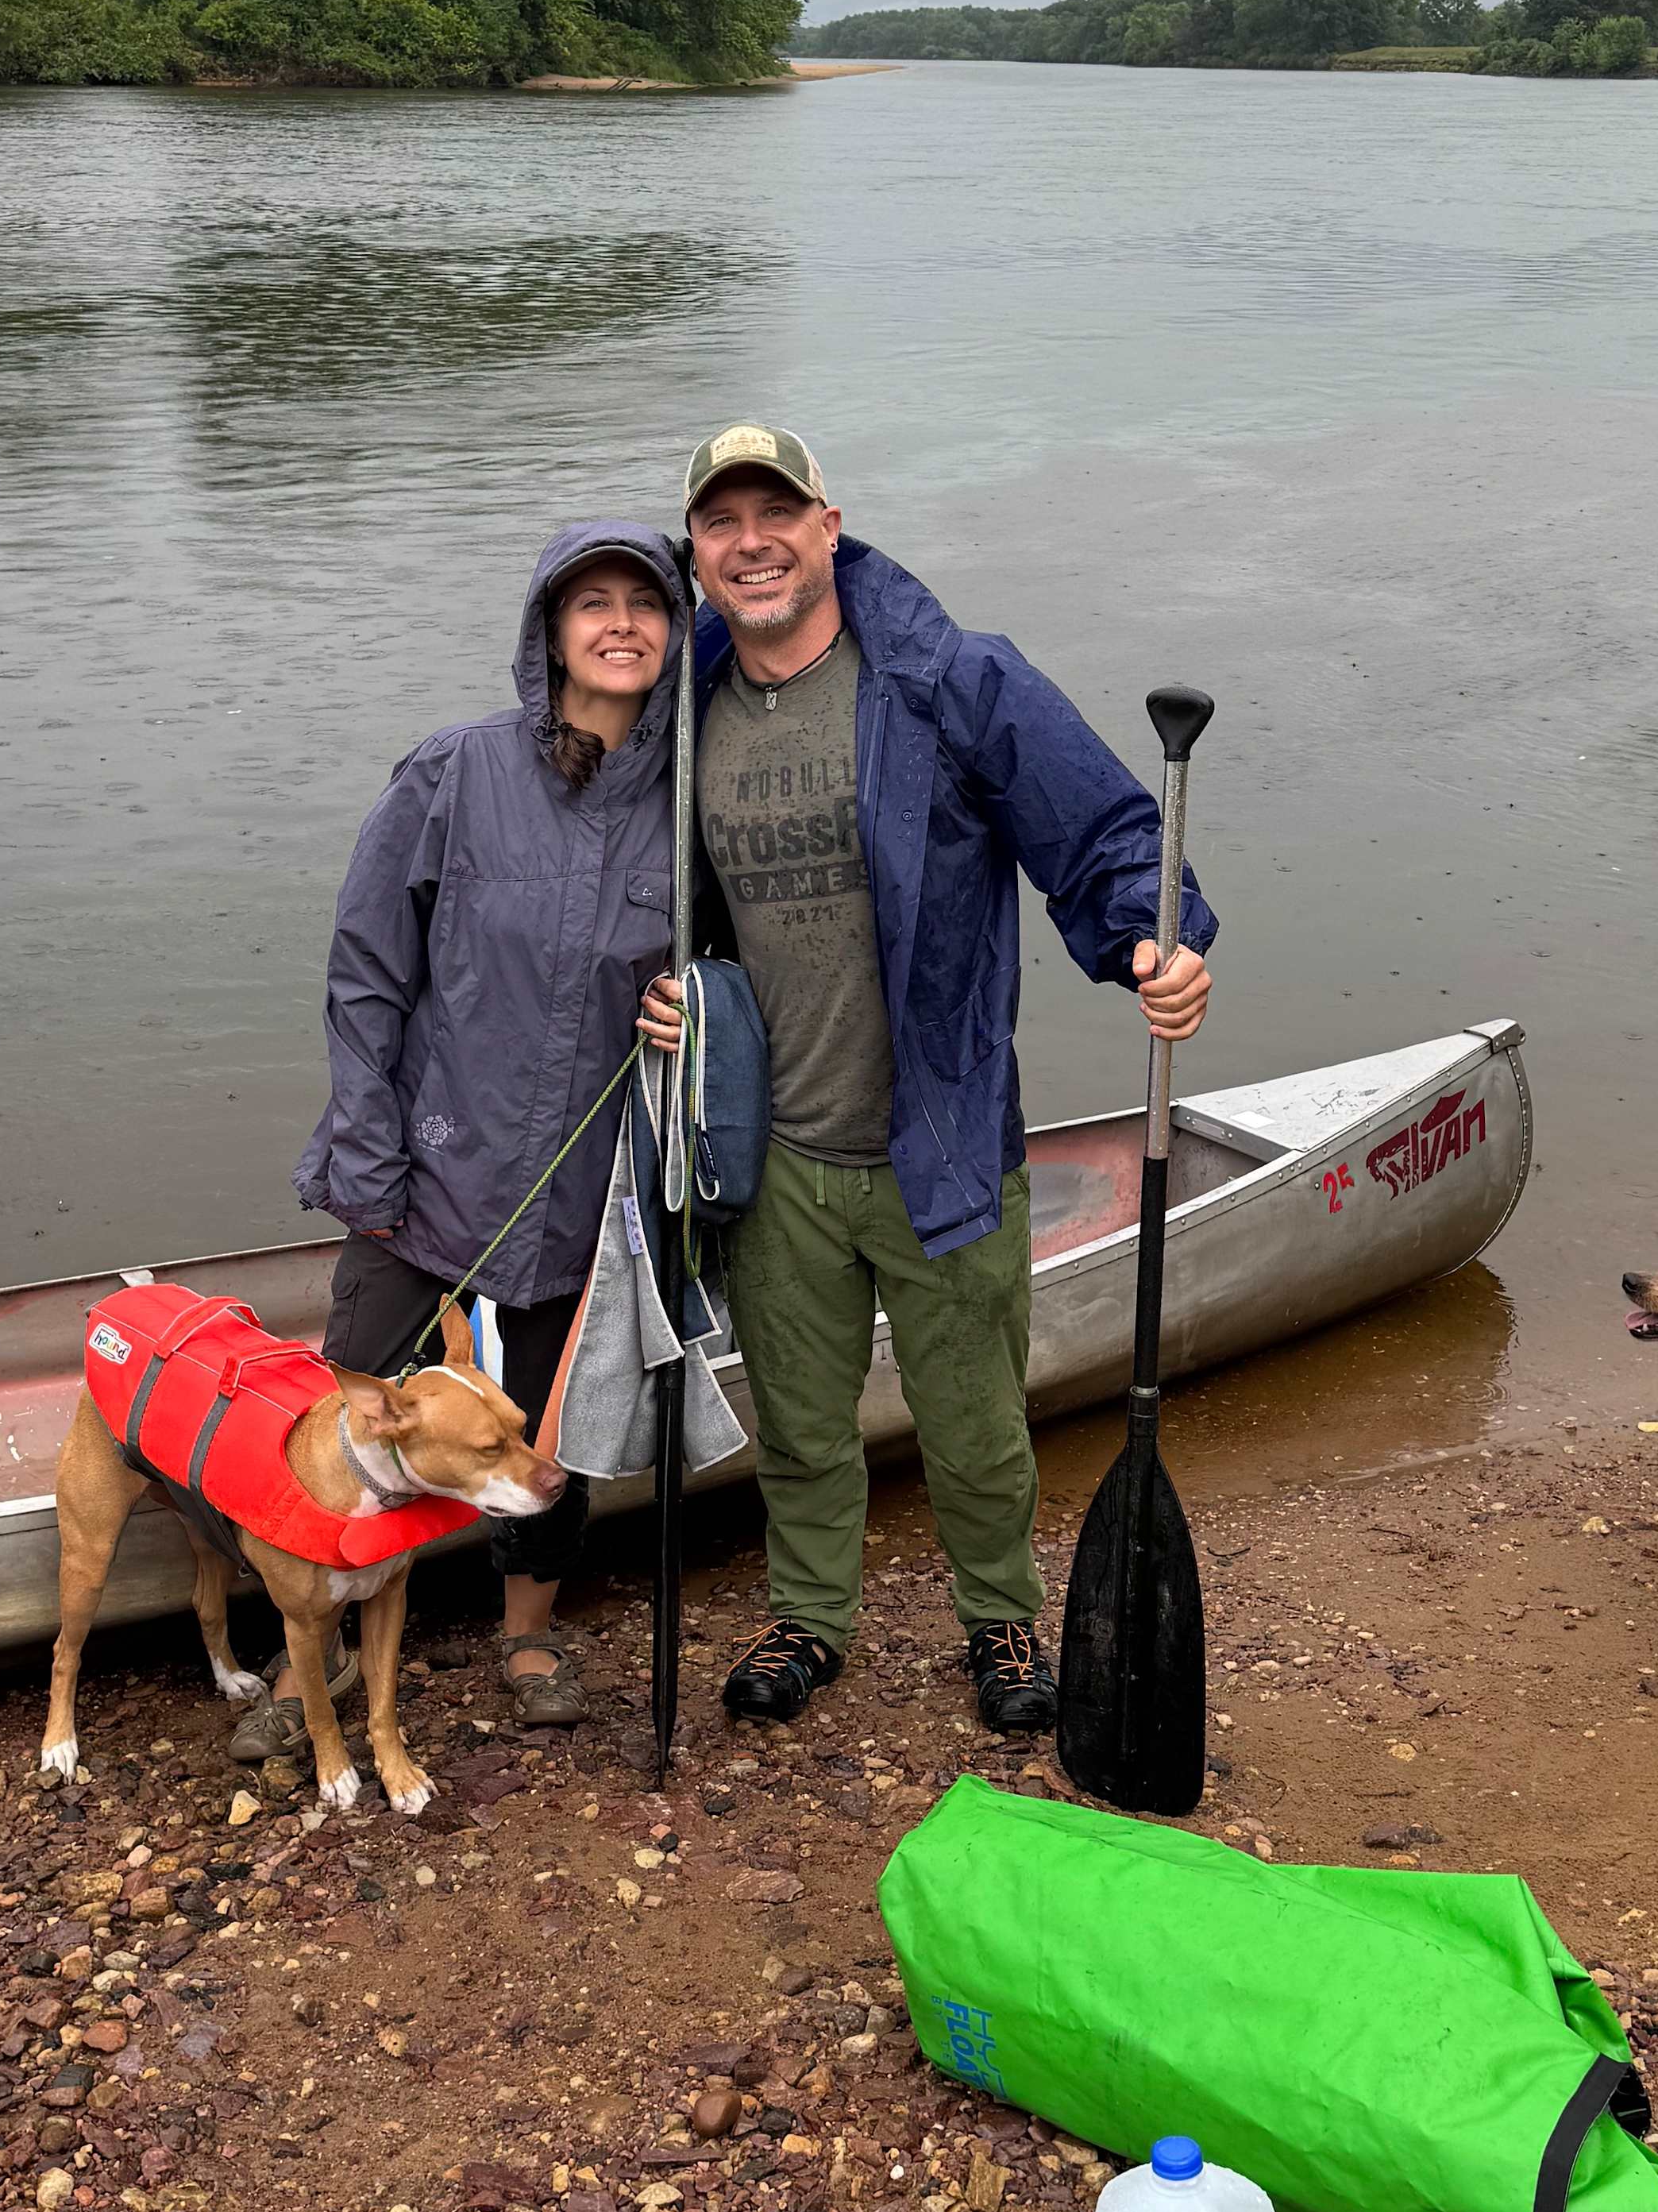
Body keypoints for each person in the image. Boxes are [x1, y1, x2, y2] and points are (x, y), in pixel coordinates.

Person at [644, 427, 1215, 1734]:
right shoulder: (686, 707)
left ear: (829, 525)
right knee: (797, 1423)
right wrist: (661, 986)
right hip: (772, 1150)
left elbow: (1109, 831)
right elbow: (625, 879)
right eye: (722, 524)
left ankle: (1000, 1624)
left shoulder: (950, 680)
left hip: (942, 1136)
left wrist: (1156, 940)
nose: (752, 542)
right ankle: (810, 1617)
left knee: (974, 1424)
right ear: (698, 555)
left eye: (774, 513)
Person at [291, 521, 684, 1732]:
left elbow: (738, 975)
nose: (620, 624)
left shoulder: (695, 803)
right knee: (349, 1410)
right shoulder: (455, 772)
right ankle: (325, 1650)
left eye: (646, 604)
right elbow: (366, 968)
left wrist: (698, 1004)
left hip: (588, 1190)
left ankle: (527, 1640)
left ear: (677, 631)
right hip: (427, 1169)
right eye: (591, 605)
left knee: (551, 1430)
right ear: (550, 634)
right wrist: (369, 1146)